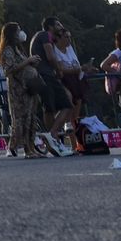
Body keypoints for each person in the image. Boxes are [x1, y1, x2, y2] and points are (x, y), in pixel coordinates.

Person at [0, 24, 44, 159]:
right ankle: (23, 148)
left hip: (29, 88)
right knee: (20, 119)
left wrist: (32, 62)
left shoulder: (19, 49)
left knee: (30, 118)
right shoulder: (8, 50)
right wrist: (28, 61)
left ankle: (29, 147)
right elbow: (8, 70)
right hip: (18, 89)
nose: (21, 33)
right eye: (18, 31)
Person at [29, 18, 73, 155]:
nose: (61, 26)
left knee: (49, 108)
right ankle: (53, 134)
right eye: (58, 24)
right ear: (50, 26)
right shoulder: (44, 35)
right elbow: (50, 56)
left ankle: (51, 142)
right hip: (46, 75)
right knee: (66, 104)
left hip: (43, 75)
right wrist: (58, 70)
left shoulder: (45, 38)